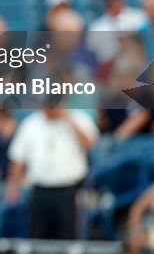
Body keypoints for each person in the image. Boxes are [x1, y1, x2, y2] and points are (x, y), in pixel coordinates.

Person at [6, 99, 99, 239]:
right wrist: (14, 186)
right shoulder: (31, 123)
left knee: (67, 236)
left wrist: (68, 120)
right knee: (38, 235)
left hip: (69, 190)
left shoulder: (78, 119)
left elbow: (90, 144)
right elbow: (18, 157)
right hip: (39, 190)